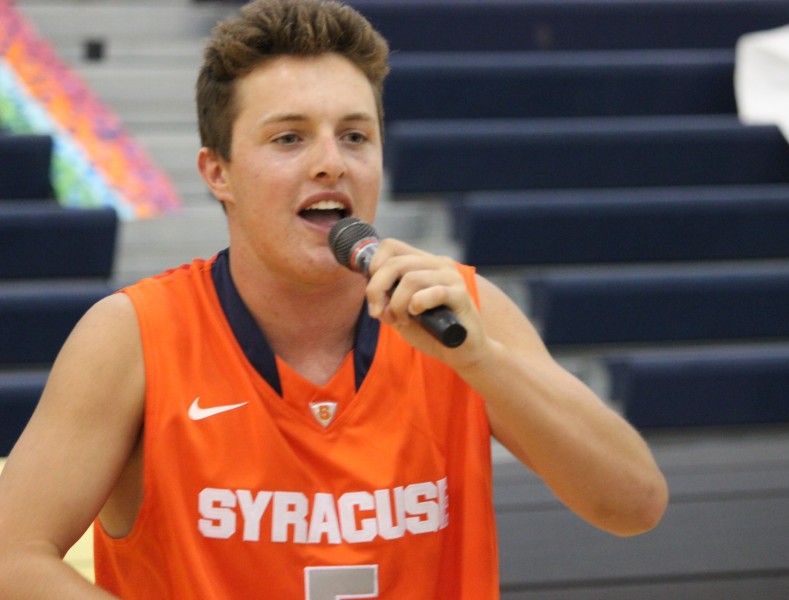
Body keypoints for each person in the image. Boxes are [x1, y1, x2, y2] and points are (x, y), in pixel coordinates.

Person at [0, 1, 668, 598]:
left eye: (354, 135)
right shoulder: (133, 335)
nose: (331, 162)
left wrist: (482, 362)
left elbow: (634, 504)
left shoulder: (462, 311)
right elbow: (11, 558)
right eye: (289, 137)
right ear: (218, 173)